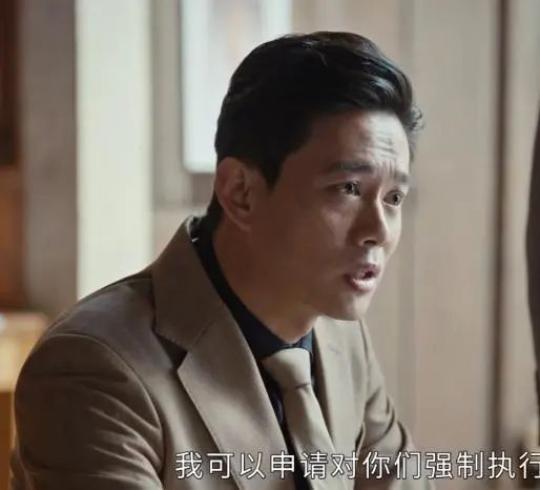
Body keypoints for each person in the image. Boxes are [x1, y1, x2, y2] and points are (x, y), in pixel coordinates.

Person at [10, 32, 431, 489]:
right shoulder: (94, 369)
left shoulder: (341, 335)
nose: (379, 230)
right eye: (347, 189)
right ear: (240, 192)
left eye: (393, 198)